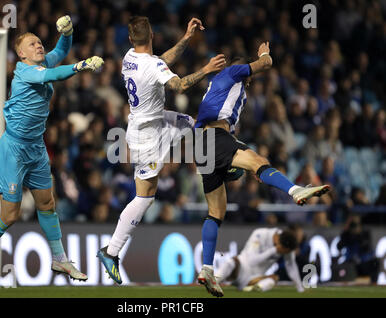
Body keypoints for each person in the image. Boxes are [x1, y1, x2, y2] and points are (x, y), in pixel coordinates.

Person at [0, 16, 104, 285]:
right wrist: (81, 66)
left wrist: (67, 32)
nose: (39, 46)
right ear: (21, 53)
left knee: (47, 203)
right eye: (33, 44)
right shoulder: (25, 71)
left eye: (40, 42)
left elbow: (61, 51)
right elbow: (54, 74)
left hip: (36, 148)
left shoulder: (42, 62)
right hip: (14, 149)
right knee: (10, 215)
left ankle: (60, 259)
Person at [193, 42, 331, 297]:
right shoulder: (234, 73)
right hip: (214, 138)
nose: (248, 80)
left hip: (202, 145)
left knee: (216, 211)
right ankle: (295, 190)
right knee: (258, 161)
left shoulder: (224, 90)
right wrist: (263, 54)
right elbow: (267, 64)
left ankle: (207, 268)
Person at [97, 16, 226, 284]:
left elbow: (161, 62)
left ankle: (228, 161)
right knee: (145, 197)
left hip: (152, 120)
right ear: (152, 34)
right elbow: (178, 84)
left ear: (132, 39)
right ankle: (111, 252)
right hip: (147, 137)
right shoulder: (152, 64)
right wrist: (206, 68)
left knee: (194, 124)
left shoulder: (129, 56)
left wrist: (187, 38)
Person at [215, 228, 304, 293]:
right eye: (284, 251)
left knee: (273, 279)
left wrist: (300, 288)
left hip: (253, 279)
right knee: (231, 262)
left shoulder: (287, 244)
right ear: (280, 244)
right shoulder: (260, 234)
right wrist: (274, 250)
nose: (284, 254)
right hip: (239, 269)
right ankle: (213, 281)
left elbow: (291, 266)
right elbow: (251, 261)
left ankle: (252, 289)